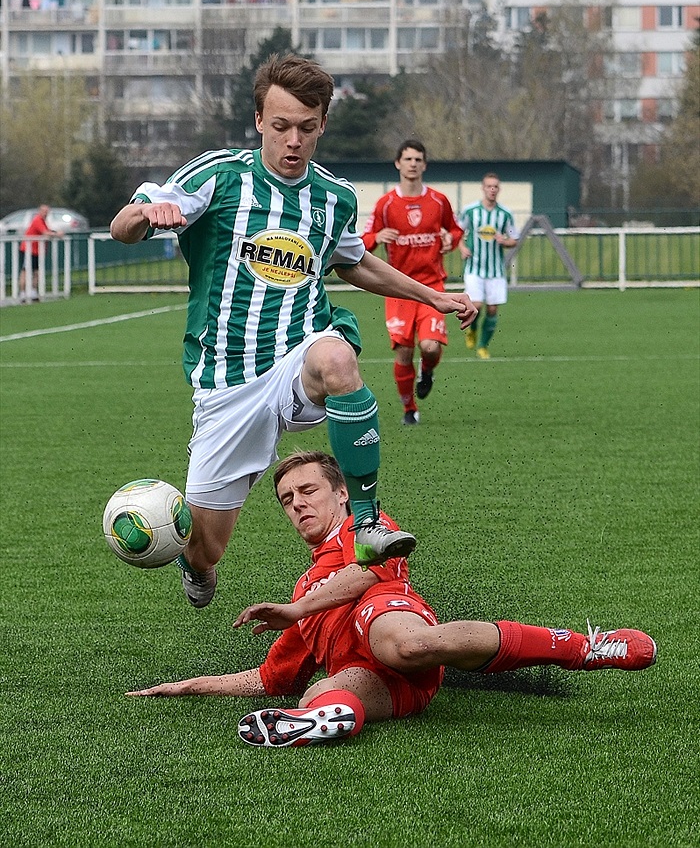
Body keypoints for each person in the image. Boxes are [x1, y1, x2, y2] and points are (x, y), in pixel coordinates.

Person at [110, 54, 478, 609]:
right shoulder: (217, 174)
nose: (293, 141)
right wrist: (149, 215)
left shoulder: (335, 197)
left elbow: (353, 262)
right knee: (207, 548)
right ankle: (199, 568)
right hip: (227, 383)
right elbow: (122, 227)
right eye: (280, 126)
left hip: (300, 356)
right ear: (259, 120)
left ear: (322, 125)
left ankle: (367, 522)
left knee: (337, 358)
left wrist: (432, 296)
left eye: (307, 128)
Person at [127, 451, 658, 748]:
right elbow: (270, 679)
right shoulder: (300, 592)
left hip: (400, 634)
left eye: (307, 491)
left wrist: (297, 611)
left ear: (341, 494)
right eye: (287, 501)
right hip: (395, 691)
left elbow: (366, 577)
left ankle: (585, 648)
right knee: (326, 688)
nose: (297, 505)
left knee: (395, 642)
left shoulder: (369, 528)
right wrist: (186, 686)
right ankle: (323, 720)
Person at [361, 141, 464, 426]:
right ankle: (409, 409)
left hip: (432, 287)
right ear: (398, 163)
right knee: (404, 351)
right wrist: (377, 238)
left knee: (429, 347)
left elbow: (455, 230)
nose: (413, 163)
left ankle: (427, 371)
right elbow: (363, 241)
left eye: (418, 159)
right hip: (398, 288)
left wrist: (450, 239)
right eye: (407, 158)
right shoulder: (386, 205)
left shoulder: (439, 201)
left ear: (425, 165)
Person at [458, 173, 518, 359]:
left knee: (492, 309)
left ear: (498, 190)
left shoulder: (505, 214)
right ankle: (472, 331)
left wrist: (504, 241)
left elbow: (514, 239)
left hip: (496, 270)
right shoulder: (470, 211)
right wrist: (462, 247)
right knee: (476, 305)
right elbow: (457, 232)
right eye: (489, 186)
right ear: (483, 188)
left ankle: (483, 346)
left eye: (495, 187)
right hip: (474, 268)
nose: (492, 190)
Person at [18, 204, 63, 302]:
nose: (45, 213)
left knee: (36, 272)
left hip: (36, 251)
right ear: (40, 211)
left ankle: (33, 292)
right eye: (44, 211)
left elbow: (47, 231)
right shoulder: (37, 220)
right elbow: (45, 233)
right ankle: (22, 293)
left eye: (47, 211)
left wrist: (54, 232)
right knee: (25, 271)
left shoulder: (43, 221)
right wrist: (56, 234)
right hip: (28, 249)